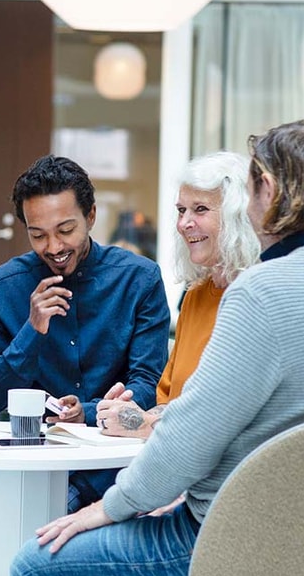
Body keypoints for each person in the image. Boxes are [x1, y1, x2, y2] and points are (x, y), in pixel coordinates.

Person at [10, 119, 304, 576]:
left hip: (232, 525)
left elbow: (189, 439)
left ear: (267, 191)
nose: (184, 224)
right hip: (303, 525)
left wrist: (109, 509)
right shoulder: (221, 293)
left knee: (35, 563)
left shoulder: (261, 292)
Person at [0, 155, 169, 512]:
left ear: (91, 216)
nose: (55, 247)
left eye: (65, 230)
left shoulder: (139, 279)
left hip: (118, 464)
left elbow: (149, 383)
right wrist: (31, 332)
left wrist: (87, 413)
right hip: (29, 468)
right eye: (38, 235)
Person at [97, 152, 261, 439]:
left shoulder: (259, 298)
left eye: (200, 209)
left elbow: (232, 417)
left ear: (238, 217)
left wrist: (146, 426)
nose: (184, 223)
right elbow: (170, 402)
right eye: (181, 210)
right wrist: (134, 415)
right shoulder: (196, 295)